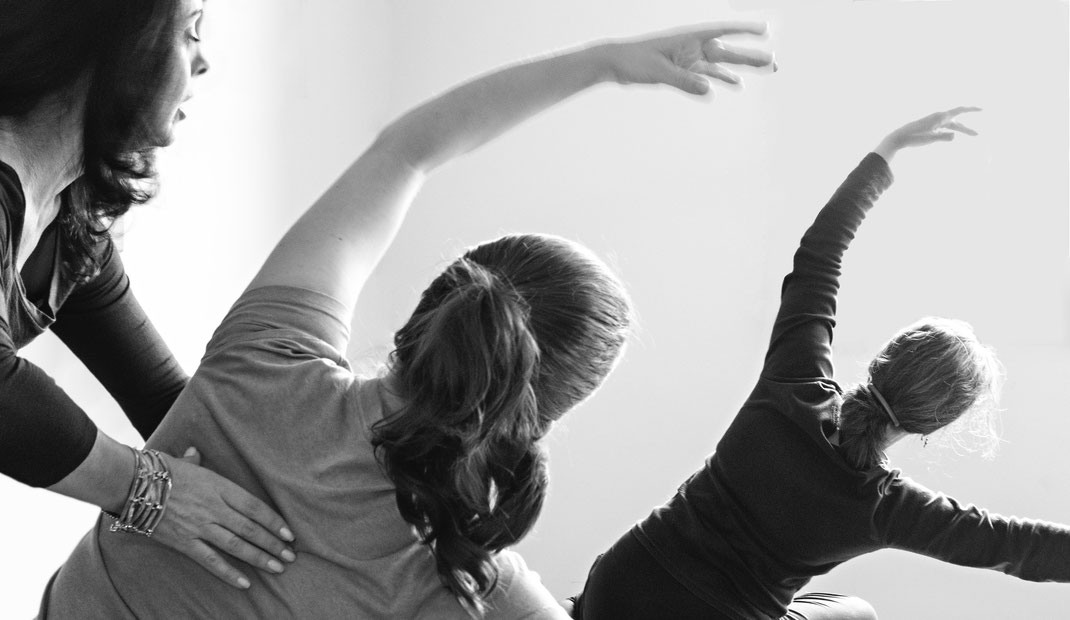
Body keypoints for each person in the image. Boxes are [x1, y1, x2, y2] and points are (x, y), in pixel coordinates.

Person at [39, 22, 776, 619]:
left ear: (442, 305)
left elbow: (410, 150)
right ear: (538, 418)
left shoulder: (271, 353)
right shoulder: (466, 589)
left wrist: (603, 62)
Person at [571, 108, 1070, 620]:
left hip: (620, 584)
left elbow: (819, 256)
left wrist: (888, 151)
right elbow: (1016, 545)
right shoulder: (886, 507)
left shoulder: (793, 381)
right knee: (858, 614)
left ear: (883, 359)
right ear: (934, 426)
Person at [1, 0, 295, 590]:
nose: (205, 61)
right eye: (189, 31)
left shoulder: (69, 220)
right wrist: (147, 493)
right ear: (117, 39)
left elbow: (171, 404)